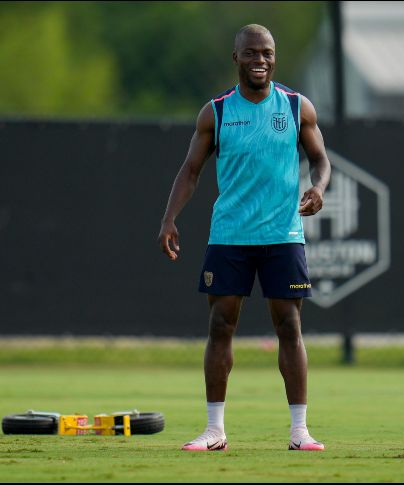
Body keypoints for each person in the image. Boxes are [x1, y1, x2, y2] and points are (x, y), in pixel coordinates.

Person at [157, 24, 331, 452]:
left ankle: (299, 431)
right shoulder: (215, 112)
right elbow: (191, 171)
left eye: (268, 53)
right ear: (236, 58)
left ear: (275, 57)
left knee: (289, 326)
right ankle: (215, 430)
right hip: (231, 235)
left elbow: (320, 159)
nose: (261, 61)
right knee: (221, 326)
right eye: (252, 53)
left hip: (283, 234)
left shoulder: (295, 107)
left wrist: (319, 188)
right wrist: (169, 218)